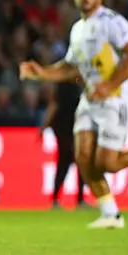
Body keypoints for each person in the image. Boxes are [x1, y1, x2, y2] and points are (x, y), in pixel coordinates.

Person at [20, 0, 128, 229]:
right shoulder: (78, 29)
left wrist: (109, 84)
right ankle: (110, 213)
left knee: (108, 164)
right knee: (82, 156)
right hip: (90, 98)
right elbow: (73, 68)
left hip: (115, 98)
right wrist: (43, 73)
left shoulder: (111, 22)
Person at [40, 80, 89, 209]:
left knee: (68, 163)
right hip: (65, 128)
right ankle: (75, 200)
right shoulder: (67, 86)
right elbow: (54, 104)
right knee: (68, 162)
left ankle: (61, 199)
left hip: (73, 128)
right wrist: (44, 125)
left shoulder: (76, 84)